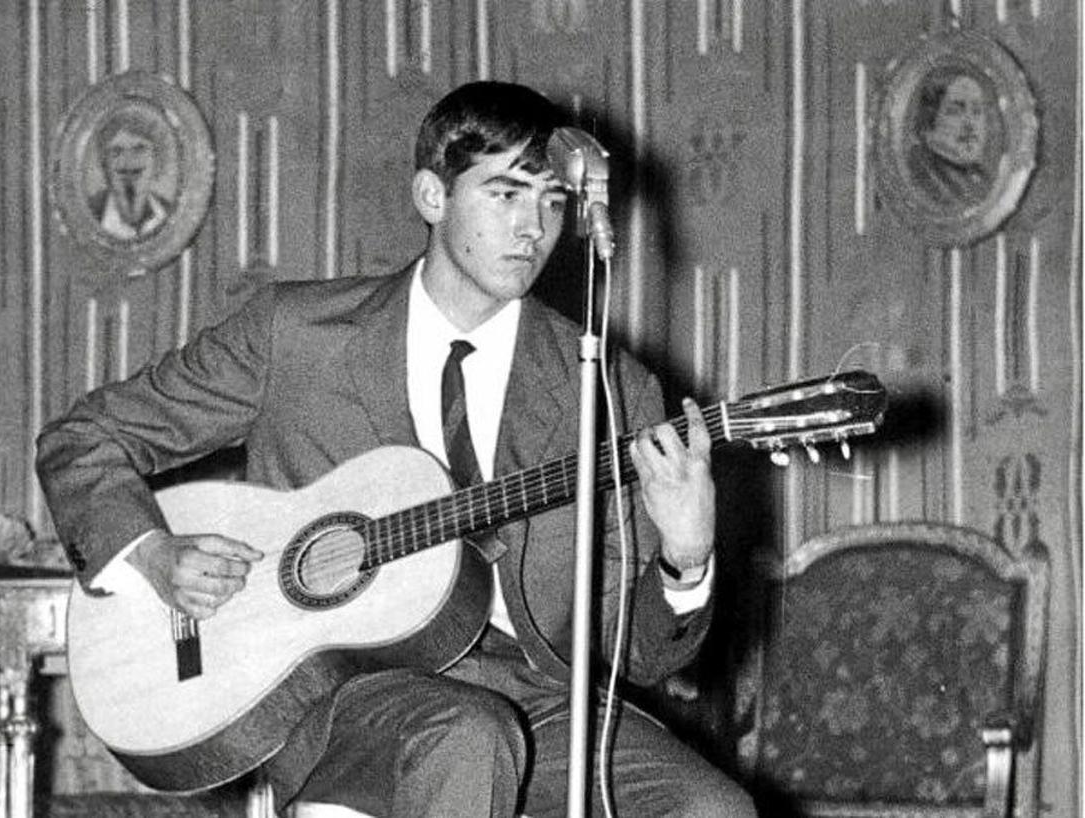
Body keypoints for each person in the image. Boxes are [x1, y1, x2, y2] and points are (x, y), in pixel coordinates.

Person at [37, 81, 755, 818]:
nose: (534, 228)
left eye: (551, 201)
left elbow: (634, 650)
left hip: (539, 701)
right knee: (469, 737)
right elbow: (85, 438)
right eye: (506, 194)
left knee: (714, 810)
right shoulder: (297, 336)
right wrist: (153, 554)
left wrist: (686, 560)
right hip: (341, 696)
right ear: (432, 197)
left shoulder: (606, 386)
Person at [907, 71, 992, 207]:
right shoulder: (919, 177)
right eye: (956, 111)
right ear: (929, 120)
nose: (970, 123)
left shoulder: (982, 181)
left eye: (977, 111)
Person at [89, 106, 173, 239]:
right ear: (105, 163)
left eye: (139, 148)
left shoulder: (172, 213)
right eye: (117, 151)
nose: (128, 161)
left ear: (157, 158)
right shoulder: (88, 213)